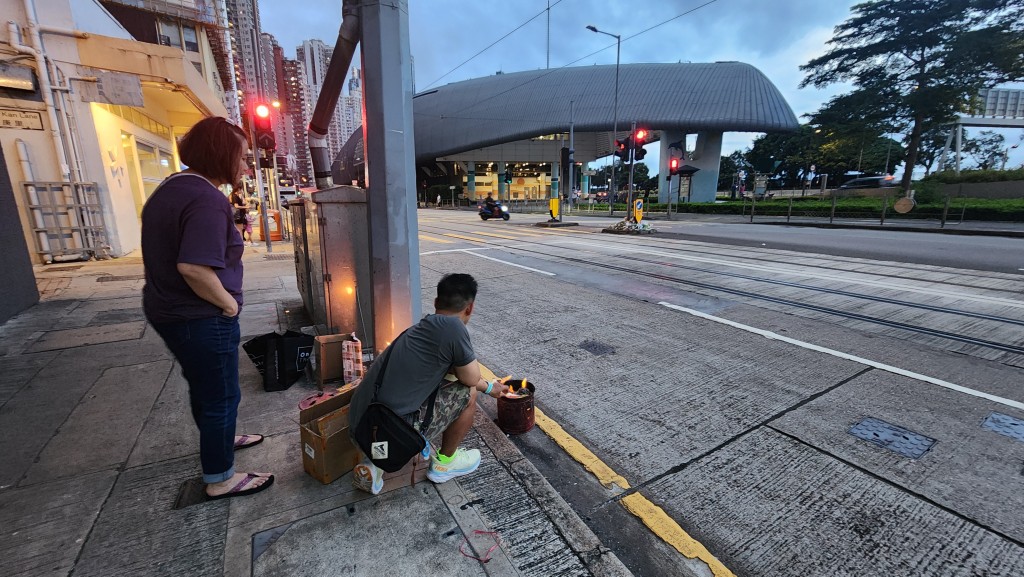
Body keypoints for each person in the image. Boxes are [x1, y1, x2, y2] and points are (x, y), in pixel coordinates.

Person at [141, 116, 273, 501]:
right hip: (199, 316)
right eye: (243, 158)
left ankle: (222, 440)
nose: (247, 166)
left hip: (169, 310)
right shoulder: (206, 200)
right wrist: (229, 305)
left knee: (205, 388)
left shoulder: (173, 188)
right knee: (222, 395)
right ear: (220, 156)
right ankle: (220, 478)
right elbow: (194, 268)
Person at [347, 273, 508, 495]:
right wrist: (490, 388)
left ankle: (373, 466)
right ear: (469, 308)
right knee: (467, 392)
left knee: (411, 396)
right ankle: (445, 463)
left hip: (360, 426)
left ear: (435, 303)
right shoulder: (454, 328)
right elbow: (470, 378)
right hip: (393, 429)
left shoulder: (420, 329)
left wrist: (487, 385)